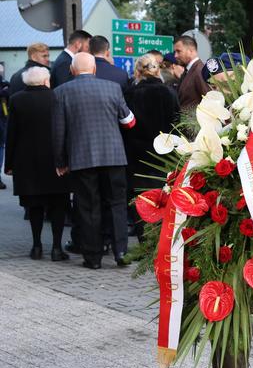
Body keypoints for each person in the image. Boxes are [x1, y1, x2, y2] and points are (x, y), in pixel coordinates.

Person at [52, 53, 136, 269]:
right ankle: (121, 252)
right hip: (114, 156)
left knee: (89, 207)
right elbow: (128, 121)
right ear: (95, 69)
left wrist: (61, 161)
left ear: (72, 70)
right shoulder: (113, 88)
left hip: (82, 158)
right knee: (117, 204)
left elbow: (58, 132)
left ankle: (93, 258)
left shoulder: (61, 92)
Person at [5, 67, 70, 260]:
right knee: (58, 204)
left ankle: (36, 246)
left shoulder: (16, 99)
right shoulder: (57, 97)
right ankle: (57, 248)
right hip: (55, 160)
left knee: (34, 206)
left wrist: (8, 164)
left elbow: (12, 134)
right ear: (45, 81)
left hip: (26, 163)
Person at [124, 54, 179, 241]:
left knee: (140, 198)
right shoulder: (170, 93)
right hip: (165, 153)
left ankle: (143, 240)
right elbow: (177, 124)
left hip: (137, 154)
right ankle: (160, 240)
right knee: (163, 196)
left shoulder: (131, 94)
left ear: (138, 72)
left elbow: (126, 124)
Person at [174, 35, 209, 109]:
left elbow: (208, 99)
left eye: (178, 51)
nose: (175, 55)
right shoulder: (189, 70)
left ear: (191, 50)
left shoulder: (200, 70)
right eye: (175, 52)